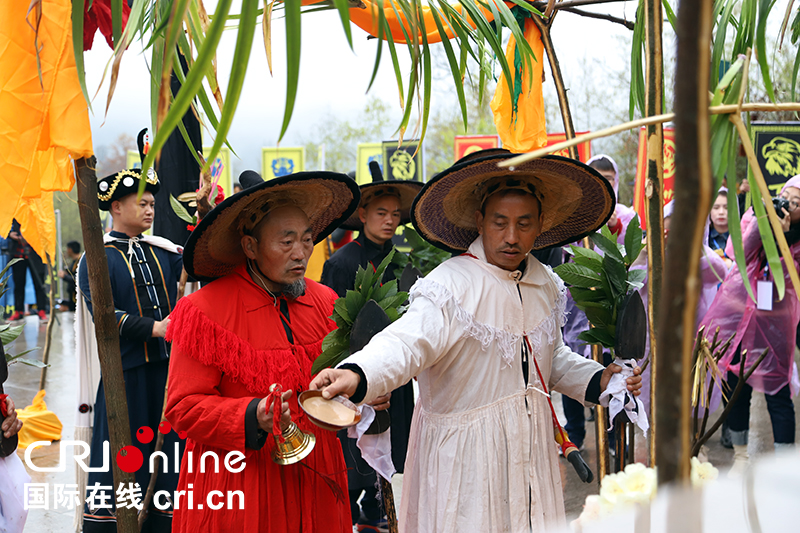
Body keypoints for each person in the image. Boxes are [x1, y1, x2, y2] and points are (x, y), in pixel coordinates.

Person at [311, 150, 643, 532]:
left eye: (524, 223)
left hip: (530, 452)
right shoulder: (449, 286)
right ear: (480, 221)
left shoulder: (546, 284)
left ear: (541, 226)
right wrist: (356, 373)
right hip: (466, 460)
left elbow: (548, 357)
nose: (512, 237)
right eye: (500, 223)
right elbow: (406, 342)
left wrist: (601, 379)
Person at [164, 170, 362, 532]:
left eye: (306, 240)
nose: (300, 253)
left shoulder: (325, 302)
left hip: (319, 476)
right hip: (243, 482)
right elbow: (182, 407)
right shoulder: (204, 310)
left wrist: (360, 388)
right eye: (286, 243)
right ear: (250, 246)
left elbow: (341, 375)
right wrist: (253, 414)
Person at [77, 132, 184, 532]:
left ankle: (163, 525)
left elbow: (196, 271)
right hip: (124, 376)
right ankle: (110, 525)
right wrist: (157, 328)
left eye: (153, 203)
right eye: (142, 202)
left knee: (169, 456)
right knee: (121, 455)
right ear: (116, 207)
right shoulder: (97, 257)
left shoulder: (162, 250)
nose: (150, 209)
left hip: (168, 375)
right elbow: (105, 317)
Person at [321, 161, 422, 532]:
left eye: (396, 214)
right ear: (363, 213)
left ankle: (395, 513)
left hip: (398, 376)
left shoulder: (403, 260)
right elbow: (330, 327)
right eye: (381, 212)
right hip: (355, 379)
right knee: (359, 462)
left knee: (401, 451)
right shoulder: (342, 262)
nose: (390, 220)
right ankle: (359, 512)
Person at [699, 175, 800, 475]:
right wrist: (763, 226)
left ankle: (783, 466)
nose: (788, 205)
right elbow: (736, 250)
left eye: (796, 203)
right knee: (736, 387)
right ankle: (741, 457)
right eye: (785, 196)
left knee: (778, 393)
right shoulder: (754, 215)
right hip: (738, 320)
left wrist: (780, 242)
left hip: (775, 327)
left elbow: (789, 280)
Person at [7, 219, 48, 322]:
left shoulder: (36, 210)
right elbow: (4, 226)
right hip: (17, 252)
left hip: (35, 252)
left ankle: (41, 310)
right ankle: (18, 311)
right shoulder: (13, 212)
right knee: (18, 284)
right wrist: (10, 234)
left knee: (39, 283)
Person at [58, 241, 81, 311]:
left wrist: (64, 276)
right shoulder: (74, 262)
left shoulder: (80, 261)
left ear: (70, 250)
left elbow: (77, 279)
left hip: (77, 296)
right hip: (72, 295)